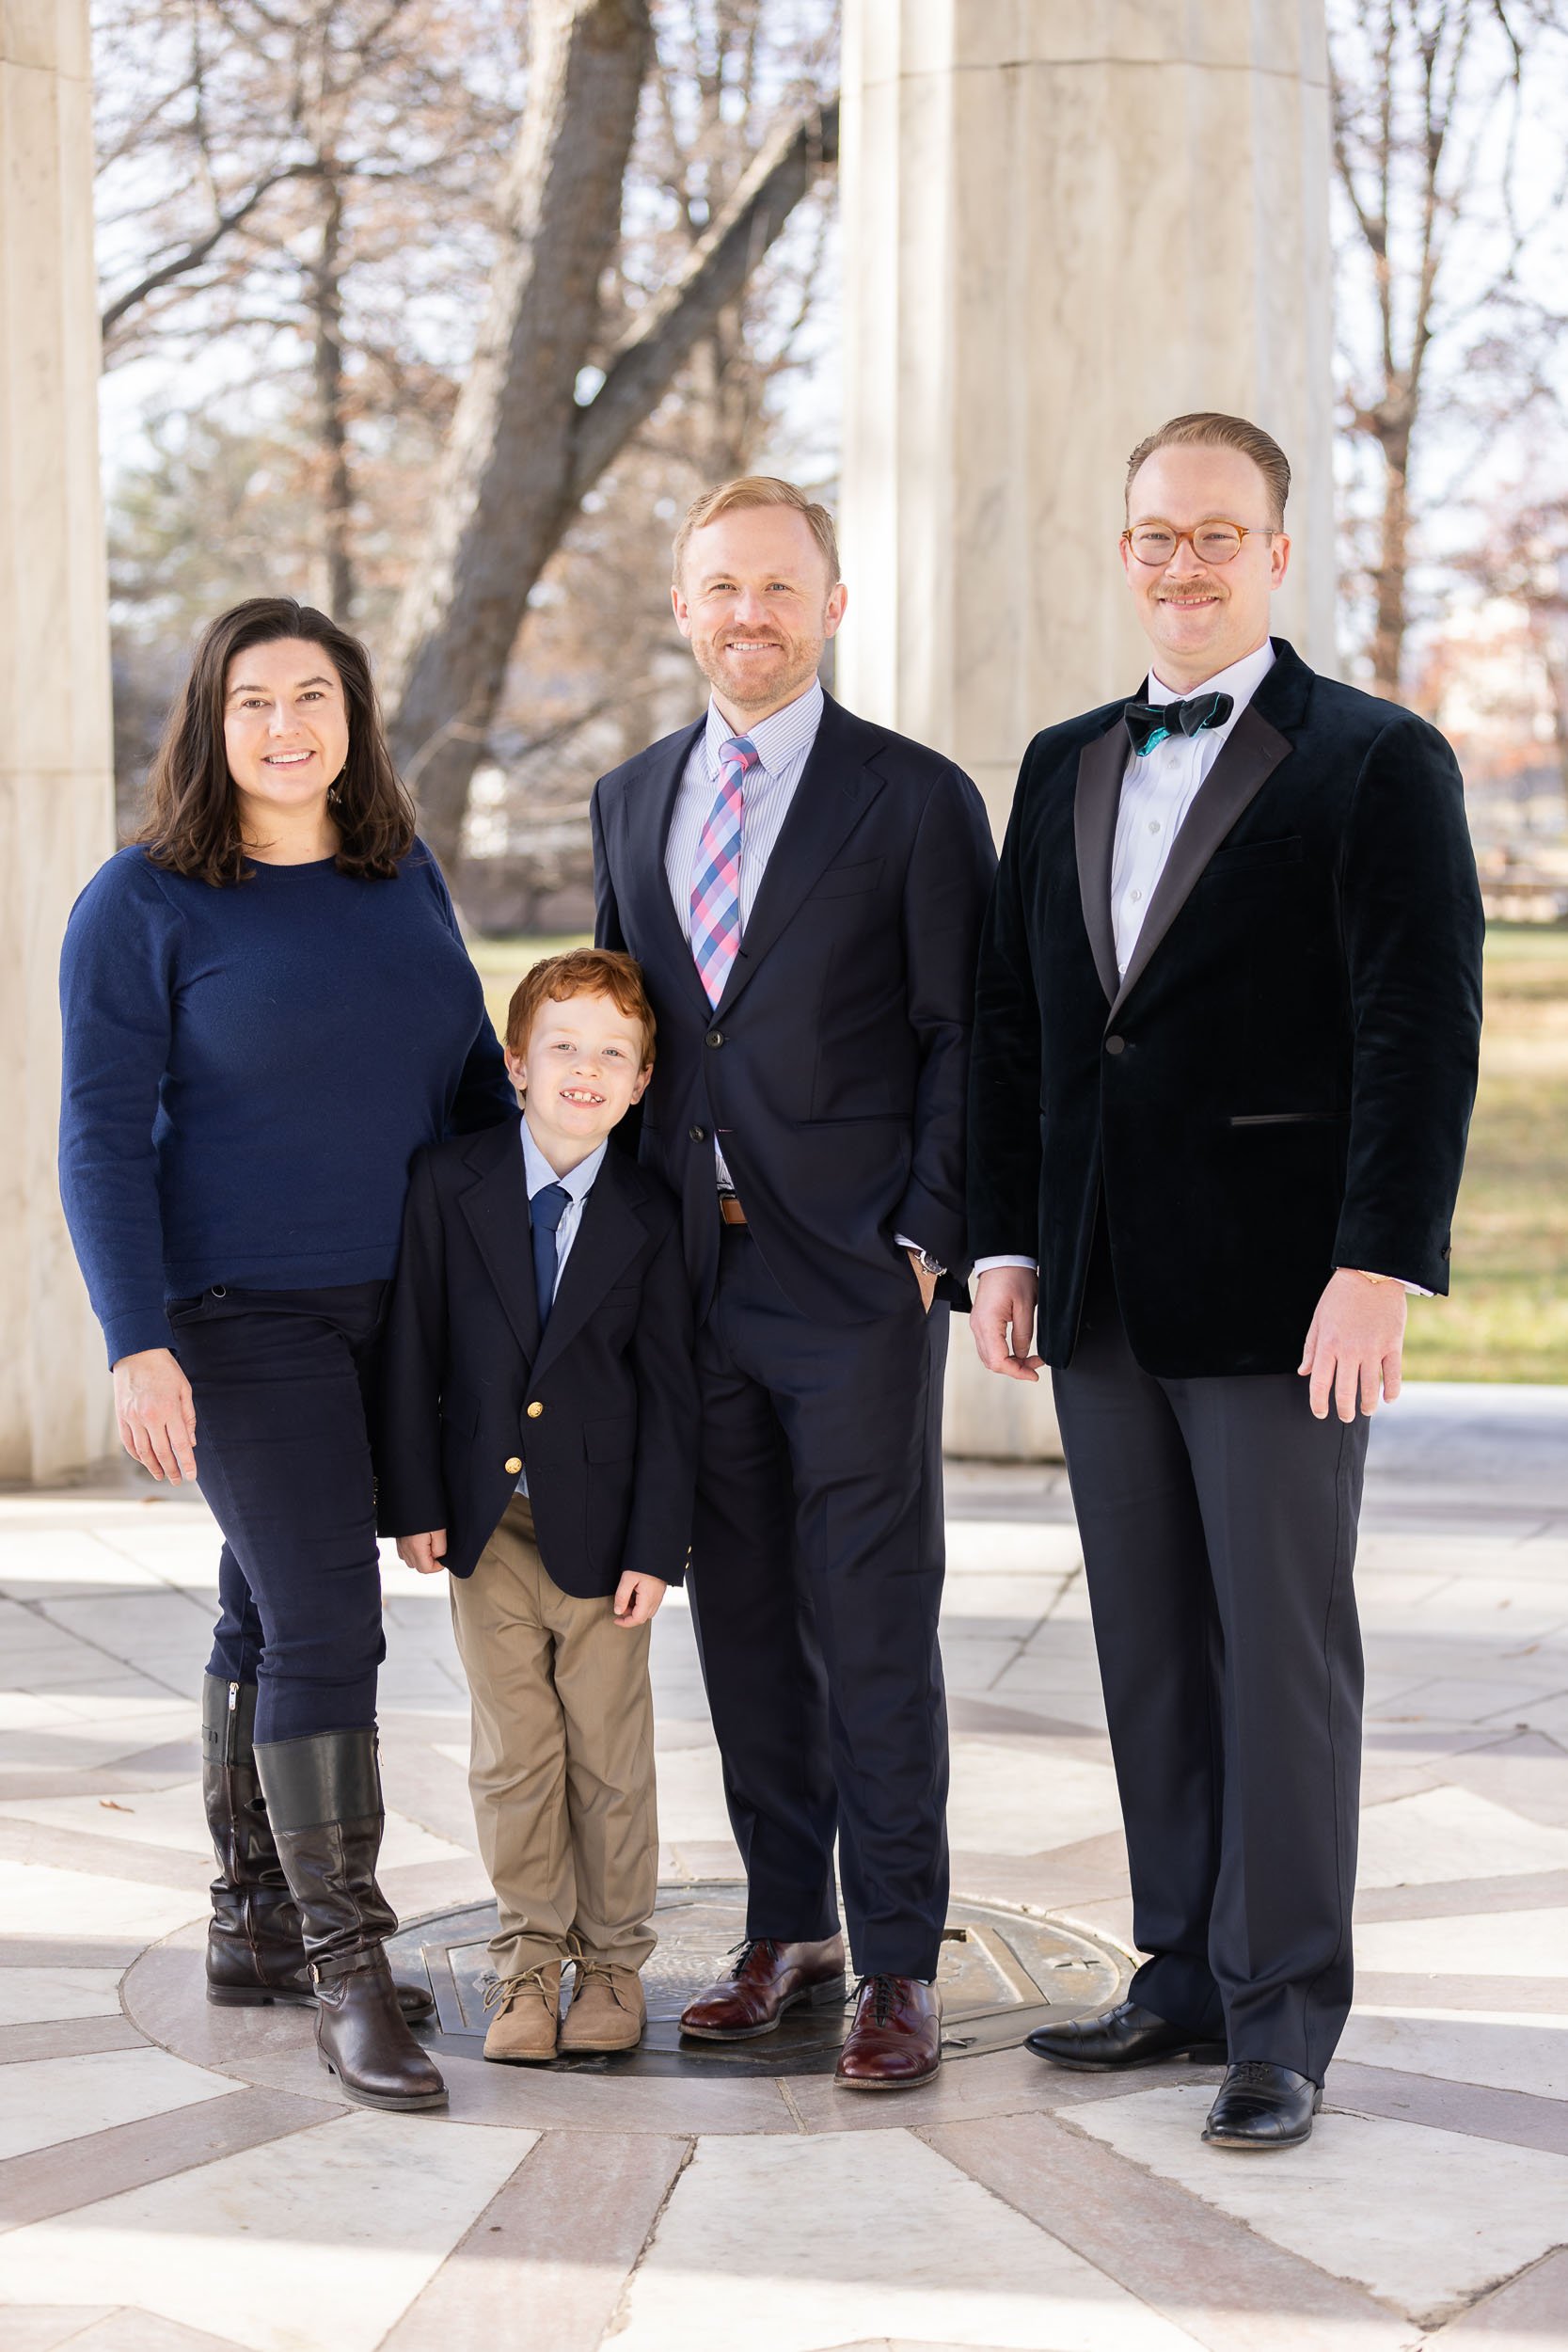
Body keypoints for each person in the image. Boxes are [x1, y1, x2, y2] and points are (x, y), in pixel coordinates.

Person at [968, 412, 1484, 2149]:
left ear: (1276, 552)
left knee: (1280, 1654)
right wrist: (1011, 1240)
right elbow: (1024, 1028)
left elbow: (1418, 1038)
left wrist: (1375, 1267)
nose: (1180, 562)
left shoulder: (1375, 760)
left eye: (1215, 534)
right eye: (1153, 535)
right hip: (1102, 1288)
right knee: (1151, 1655)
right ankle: (1180, 1970)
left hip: (1284, 1295)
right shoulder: (1057, 764)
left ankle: (1284, 2018)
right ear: (1121, 553)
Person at [58, 596, 515, 2115]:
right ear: (210, 722)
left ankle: (250, 1920)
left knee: (266, 1606)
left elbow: (463, 1091)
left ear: (352, 717)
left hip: (393, 1312)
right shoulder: (141, 904)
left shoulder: (402, 877)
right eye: (251, 701)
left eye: (311, 696)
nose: (283, 727)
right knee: (330, 1624)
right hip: (240, 1321)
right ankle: (348, 1970)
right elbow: (101, 1141)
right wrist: (137, 1344)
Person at [593, 477, 996, 2091]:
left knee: (873, 1623)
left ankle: (897, 1957)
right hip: (692, 1286)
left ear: (831, 605)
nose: (744, 614)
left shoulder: (911, 797)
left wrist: (925, 1238)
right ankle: (790, 1929)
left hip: (850, 1288)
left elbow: (968, 1032)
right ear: (682, 608)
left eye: (776, 586)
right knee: (745, 1624)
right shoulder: (631, 799)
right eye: (717, 588)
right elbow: (627, 1036)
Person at [377, 949, 698, 2064]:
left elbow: (670, 1392)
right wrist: (412, 1500)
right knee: (513, 1754)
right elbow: (410, 1349)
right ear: (515, 1062)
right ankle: (527, 1966)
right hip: (482, 1525)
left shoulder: (653, 1216)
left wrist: (659, 1543)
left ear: (643, 1080)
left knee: (609, 1755)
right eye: (561, 1045)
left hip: (605, 1537)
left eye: (614, 1053)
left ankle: (612, 1966)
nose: (585, 1068)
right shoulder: (445, 1182)